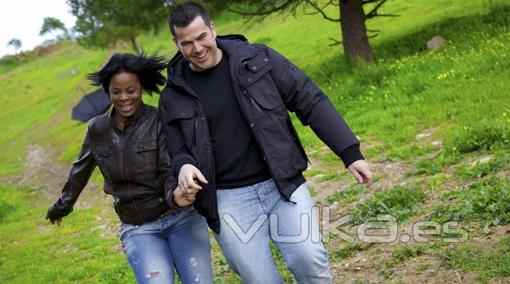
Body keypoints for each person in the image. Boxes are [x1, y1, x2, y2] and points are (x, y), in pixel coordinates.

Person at [159, 2, 373, 283]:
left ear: (213, 28)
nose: (197, 48)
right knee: (259, 279)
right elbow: (176, 151)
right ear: (176, 43)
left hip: (281, 182)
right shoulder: (173, 95)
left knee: (310, 261)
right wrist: (184, 165)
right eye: (186, 43)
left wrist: (349, 152)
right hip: (226, 199)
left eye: (201, 37)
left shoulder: (257, 60)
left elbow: (309, 99)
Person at [46, 53, 213, 284]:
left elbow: (168, 171)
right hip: (138, 228)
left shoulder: (158, 121)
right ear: (108, 92)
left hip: (180, 217)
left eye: (131, 90)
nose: (124, 97)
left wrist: (176, 196)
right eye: (116, 91)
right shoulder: (97, 129)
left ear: (141, 88)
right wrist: (61, 207)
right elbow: (79, 172)